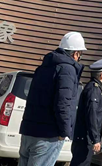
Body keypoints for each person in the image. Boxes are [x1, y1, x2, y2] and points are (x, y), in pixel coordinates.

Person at [19, 32, 86, 166]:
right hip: (49, 134)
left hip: (29, 131)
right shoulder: (67, 70)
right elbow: (63, 103)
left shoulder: (44, 67)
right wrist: (64, 132)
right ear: (75, 53)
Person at [71, 58, 102, 166]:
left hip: (83, 138)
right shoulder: (93, 90)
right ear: (101, 75)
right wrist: (95, 139)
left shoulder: (92, 88)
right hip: (85, 138)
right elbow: (91, 115)